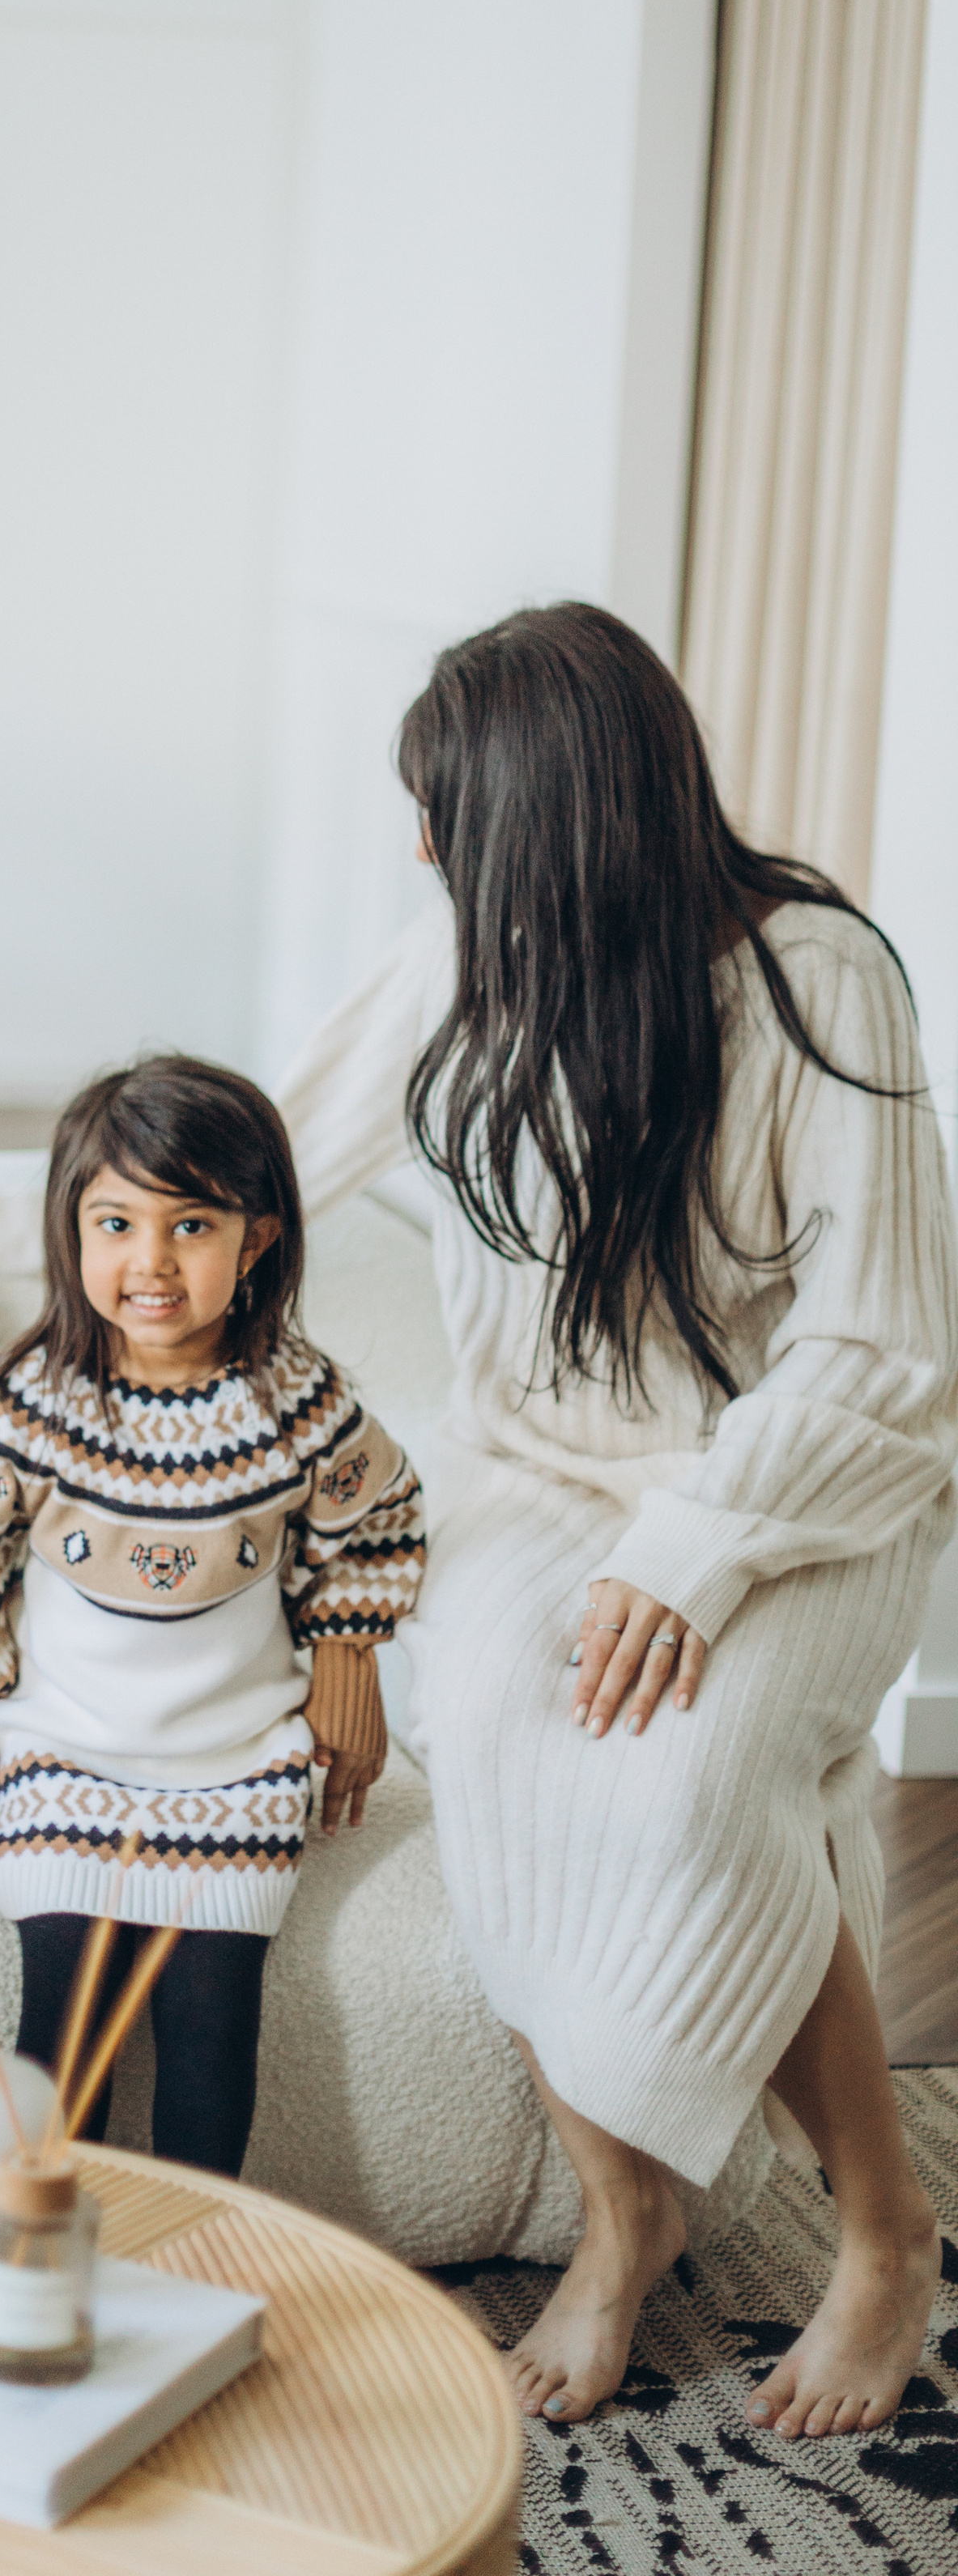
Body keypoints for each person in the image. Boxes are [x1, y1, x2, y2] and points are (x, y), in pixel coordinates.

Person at [275, 603, 956, 2440]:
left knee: (685, 1762)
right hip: (535, 1472)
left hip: (798, 1490)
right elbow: (250, 1152)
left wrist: (692, 1550)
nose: (419, 849)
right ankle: (622, 2210)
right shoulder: (462, 963)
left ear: (546, 808)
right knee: (493, 1710)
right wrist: (37, 1197)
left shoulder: (818, 978)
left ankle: (883, 2236)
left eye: (441, 810)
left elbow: (885, 1344)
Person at [0, 1055, 425, 2178]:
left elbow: (374, 1520)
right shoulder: (33, 1401)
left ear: (256, 1240)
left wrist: (349, 1667)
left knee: (214, 2026)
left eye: (191, 1227)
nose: (151, 1263)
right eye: (116, 1223)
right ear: (71, 1233)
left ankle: (195, 2261)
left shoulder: (297, 1401)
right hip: (65, 1757)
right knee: (62, 2025)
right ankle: (33, 2255)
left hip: (233, 1765)